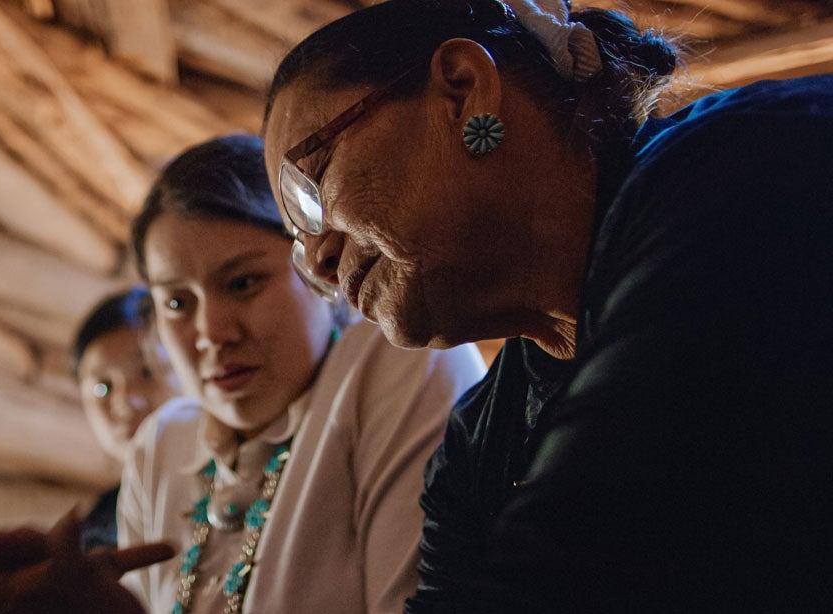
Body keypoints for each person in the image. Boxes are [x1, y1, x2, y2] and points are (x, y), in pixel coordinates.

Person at [261, 0, 833, 611]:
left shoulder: (742, 168)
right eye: (296, 239)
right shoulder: (475, 449)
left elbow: (573, 558)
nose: (317, 260)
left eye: (308, 190)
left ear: (463, 91)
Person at [118, 134, 483, 614]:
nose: (211, 332)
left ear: (317, 266)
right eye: (177, 303)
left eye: (243, 283)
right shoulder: (160, 447)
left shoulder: (396, 362)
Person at [72, 287, 181, 552]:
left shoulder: (234, 488)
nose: (125, 402)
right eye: (103, 388)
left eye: (146, 372)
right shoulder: (95, 533)